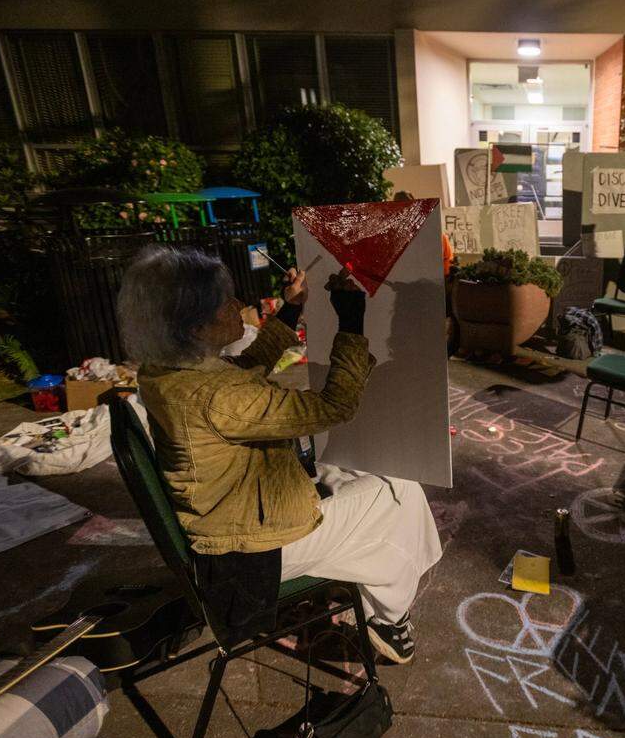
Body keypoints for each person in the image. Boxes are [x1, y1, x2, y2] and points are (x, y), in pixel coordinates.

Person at [118, 245, 442, 663]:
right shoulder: (218, 396)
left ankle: (376, 581)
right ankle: (389, 621)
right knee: (400, 490)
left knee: (349, 474)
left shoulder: (165, 373)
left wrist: (290, 311)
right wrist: (351, 320)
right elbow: (333, 406)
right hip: (254, 558)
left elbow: (244, 368)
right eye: (225, 302)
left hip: (229, 533)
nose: (240, 306)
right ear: (195, 327)